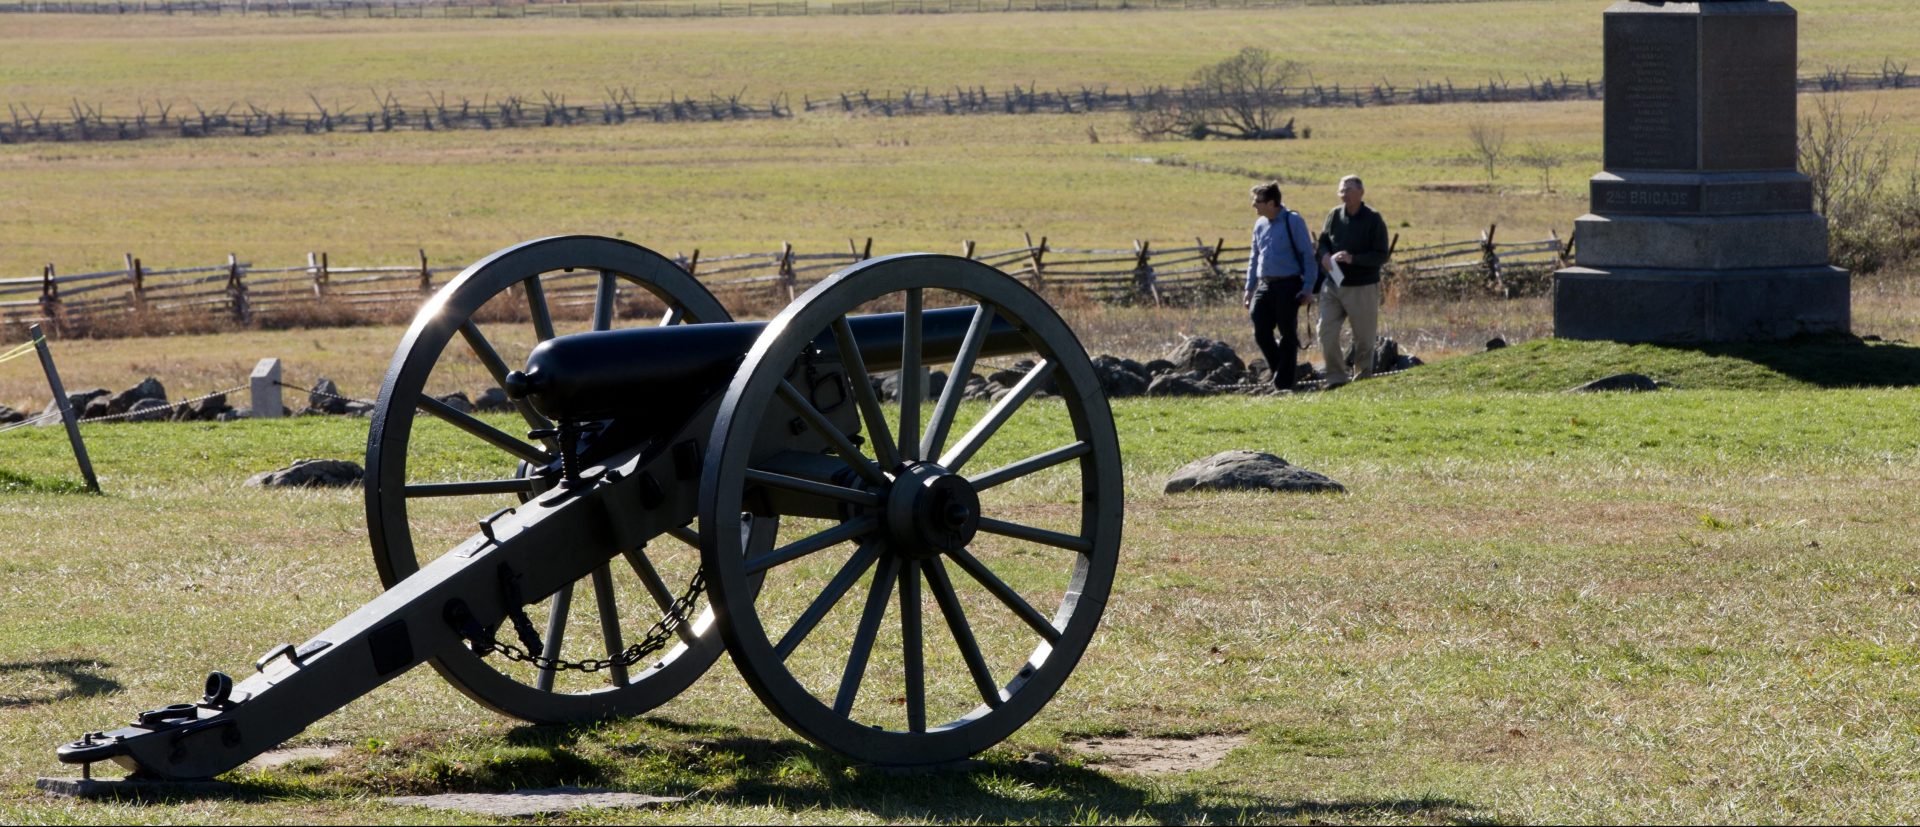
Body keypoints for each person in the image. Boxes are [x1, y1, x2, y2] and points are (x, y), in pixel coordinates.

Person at [1314, 175, 1392, 387]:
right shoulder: (1333, 216)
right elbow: (1322, 243)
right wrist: (1325, 257)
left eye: (1348, 190)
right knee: (1325, 332)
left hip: (1362, 287)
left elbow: (1381, 254)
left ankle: (1362, 380)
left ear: (1361, 192)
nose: (1344, 194)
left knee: (1364, 340)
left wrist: (1353, 259)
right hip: (1334, 285)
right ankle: (1336, 377)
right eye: (1341, 190)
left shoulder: (1373, 219)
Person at [1242, 181, 1316, 391]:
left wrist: (1308, 287)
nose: (1254, 205)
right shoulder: (1260, 224)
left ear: (1272, 203)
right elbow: (1254, 257)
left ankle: (1283, 384)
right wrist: (1249, 288)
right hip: (1265, 284)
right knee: (1260, 330)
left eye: (1258, 201)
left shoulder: (1293, 221)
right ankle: (1281, 373)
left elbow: (1307, 256)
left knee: (1287, 334)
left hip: (1288, 284)